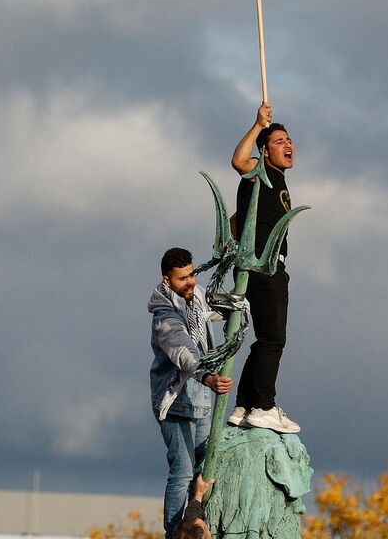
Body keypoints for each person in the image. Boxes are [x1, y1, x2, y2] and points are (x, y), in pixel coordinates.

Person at [227, 101, 300, 434]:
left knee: (263, 340)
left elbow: (235, 222)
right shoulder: (260, 172)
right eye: (279, 142)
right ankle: (265, 406)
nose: (288, 146)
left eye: (288, 141)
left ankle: (246, 404)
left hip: (260, 265)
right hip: (266, 267)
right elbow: (239, 161)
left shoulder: (277, 181)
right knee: (274, 339)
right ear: (265, 152)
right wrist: (258, 125)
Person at [151, 247, 233, 539]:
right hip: (175, 403)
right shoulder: (165, 317)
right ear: (166, 280)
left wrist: (231, 308)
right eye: (182, 278)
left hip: (200, 402)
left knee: (204, 472)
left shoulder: (194, 298)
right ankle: (175, 533)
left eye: (192, 274)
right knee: (183, 472)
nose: (190, 282)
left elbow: (206, 314)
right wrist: (207, 376)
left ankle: (201, 526)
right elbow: (183, 350)